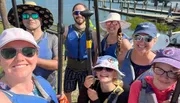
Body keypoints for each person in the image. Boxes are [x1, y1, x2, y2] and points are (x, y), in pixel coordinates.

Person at [7, 1, 58, 89]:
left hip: (48, 88)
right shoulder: (16, 40)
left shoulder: (52, 38)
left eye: (34, 15)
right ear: (22, 20)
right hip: (21, 88)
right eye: (26, 16)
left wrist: (32, 59)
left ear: (41, 19)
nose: (30, 18)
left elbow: (57, 64)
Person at [0, 28, 58, 103]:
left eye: (28, 51)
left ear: (37, 55)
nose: (19, 58)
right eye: (9, 53)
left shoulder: (41, 82)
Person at [63, 3, 97, 103]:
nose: (79, 15)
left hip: (86, 69)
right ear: (73, 14)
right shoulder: (66, 30)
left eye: (82, 12)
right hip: (71, 67)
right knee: (67, 91)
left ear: (86, 14)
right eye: (76, 13)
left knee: (84, 94)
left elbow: (96, 53)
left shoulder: (92, 33)